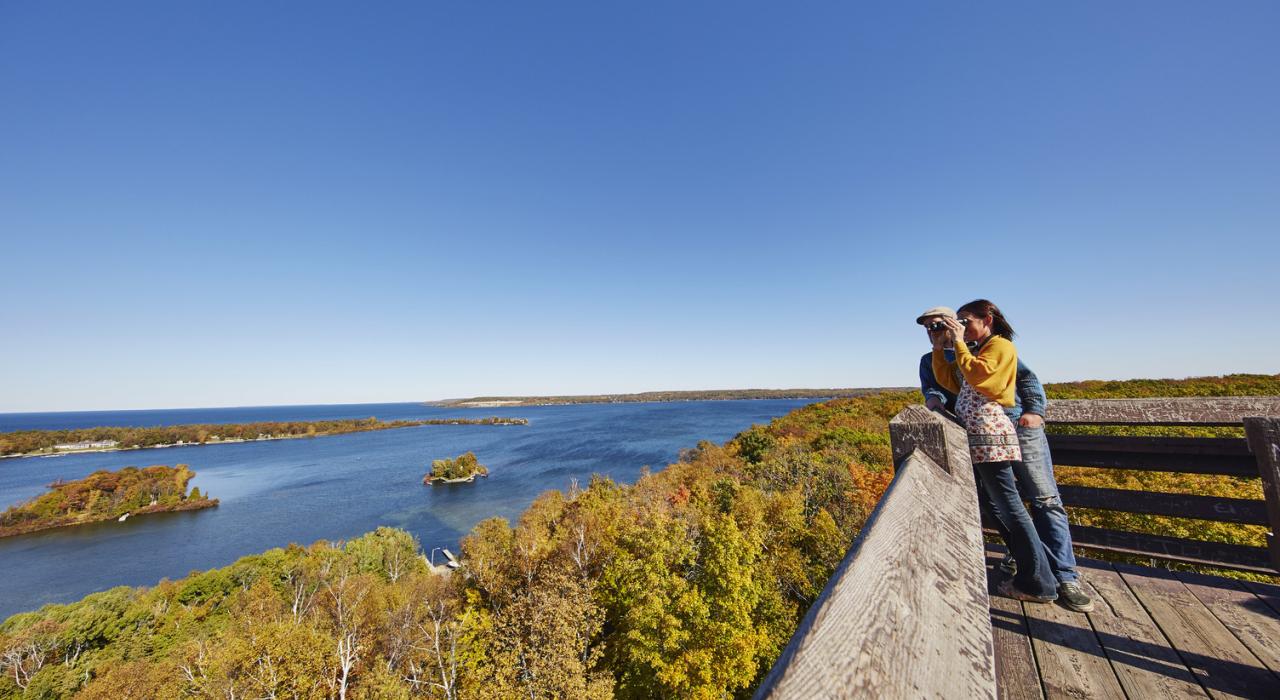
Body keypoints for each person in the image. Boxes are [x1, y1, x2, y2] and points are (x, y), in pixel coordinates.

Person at [916, 306, 1093, 612]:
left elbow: (1023, 378)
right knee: (998, 501)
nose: (933, 329)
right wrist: (935, 397)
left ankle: (1064, 577)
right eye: (928, 327)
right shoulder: (933, 357)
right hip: (978, 434)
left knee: (1043, 498)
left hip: (1014, 426)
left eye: (938, 324)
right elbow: (941, 387)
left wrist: (1035, 411)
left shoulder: (989, 346)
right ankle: (1028, 560)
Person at [930, 300, 1057, 602]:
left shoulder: (1000, 346)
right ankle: (1036, 575)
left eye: (965, 321)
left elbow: (981, 378)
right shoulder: (977, 350)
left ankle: (1039, 583)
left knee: (1011, 508)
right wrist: (939, 347)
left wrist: (958, 342)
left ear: (987, 319)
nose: (960, 327)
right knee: (1000, 506)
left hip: (990, 435)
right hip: (980, 436)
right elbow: (951, 380)